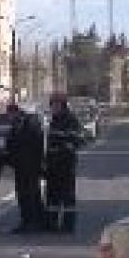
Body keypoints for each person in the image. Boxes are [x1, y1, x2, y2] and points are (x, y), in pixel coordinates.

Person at [0, 104, 46, 233]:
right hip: (24, 165)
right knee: (30, 194)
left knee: (27, 194)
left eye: (10, 115)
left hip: (28, 166)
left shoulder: (27, 125)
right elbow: (7, 152)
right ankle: (36, 221)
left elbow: (32, 146)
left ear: (15, 113)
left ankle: (31, 223)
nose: (9, 118)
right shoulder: (20, 125)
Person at [44, 93, 86, 233]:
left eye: (56, 104)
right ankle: (51, 223)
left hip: (66, 163)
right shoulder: (54, 120)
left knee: (67, 196)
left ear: (62, 105)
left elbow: (78, 139)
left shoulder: (70, 119)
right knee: (52, 195)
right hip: (53, 164)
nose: (53, 107)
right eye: (52, 104)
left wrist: (64, 142)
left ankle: (68, 225)